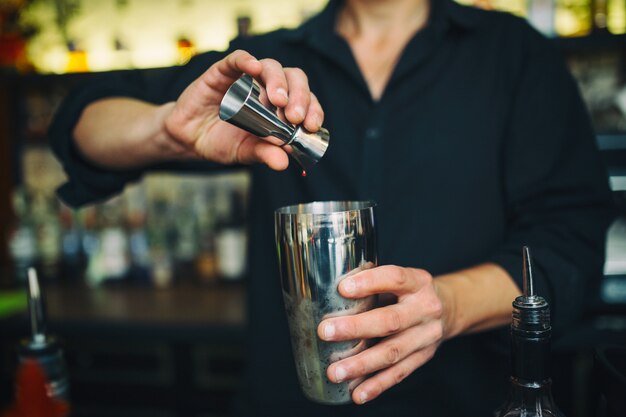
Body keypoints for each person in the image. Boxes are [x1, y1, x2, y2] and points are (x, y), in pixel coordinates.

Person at [49, 0, 616, 415]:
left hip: (465, 401)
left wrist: (449, 305)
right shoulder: (267, 67)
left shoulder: (515, 56)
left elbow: (569, 243)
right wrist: (166, 129)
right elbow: (79, 123)